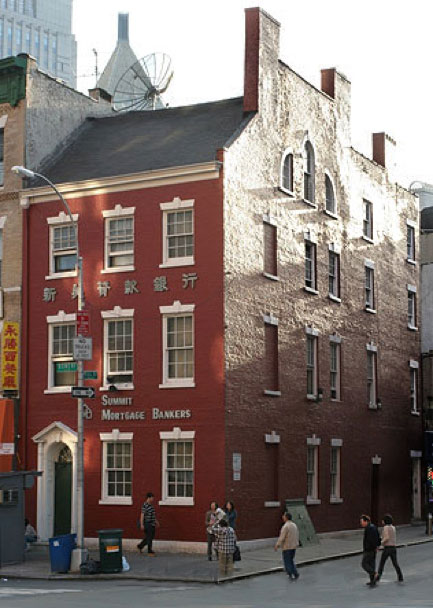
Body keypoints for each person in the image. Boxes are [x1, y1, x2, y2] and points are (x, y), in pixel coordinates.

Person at [376, 514, 403, 583]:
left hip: (387, 548)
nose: (382, 521)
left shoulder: (386, 527)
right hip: (393, 547)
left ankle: (378, 577)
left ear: (385, 521)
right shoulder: (393, 527)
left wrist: (380, 543)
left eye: (383, 520)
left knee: (382, 563)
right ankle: (400, 576)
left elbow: (386, 538)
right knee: (395, 563)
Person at [274, 511, 300, 579]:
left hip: (287, 546)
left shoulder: (285, 526)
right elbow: (297, 535)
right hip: (293, 546)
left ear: (286, 517)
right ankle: (295, 573)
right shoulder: (294, 525)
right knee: (291, 560)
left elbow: (282, 537)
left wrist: (277, 545)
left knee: (287, 561)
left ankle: (290, 574)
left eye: (284, 516)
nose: (282, 517)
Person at [360, 514, 381, 587]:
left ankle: (374, 574)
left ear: (366, 521)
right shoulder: (374, 527)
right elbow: (378, 537)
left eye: (362, 521)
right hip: (374, 549)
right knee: (372, 564)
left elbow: (370, 540)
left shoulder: (369, 528)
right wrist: (378, 545)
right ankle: (373, 581)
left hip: (369, 549)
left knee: (364, 564)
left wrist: (369, 546)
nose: (361, 523)